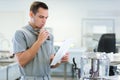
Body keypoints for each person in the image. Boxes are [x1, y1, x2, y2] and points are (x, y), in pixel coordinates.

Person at [12, 1, 69, 80]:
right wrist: (39, 41)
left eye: (46, 17)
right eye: (41, 17)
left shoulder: (49, 36)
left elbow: (51, 64)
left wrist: (59, 60)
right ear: (31, 14)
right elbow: (22, 61)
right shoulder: (20, 33)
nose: (44, 21)